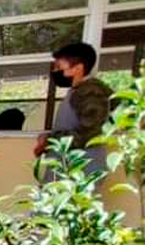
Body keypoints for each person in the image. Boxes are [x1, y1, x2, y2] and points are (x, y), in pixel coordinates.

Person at [34, 42, 112, 180]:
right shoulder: (78, 91)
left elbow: (90, 133)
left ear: (77, 68)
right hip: (68, 170)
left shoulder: (91, 92)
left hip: (80, 172)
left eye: (59, 67)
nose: (55, 71)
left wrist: (50, 141)